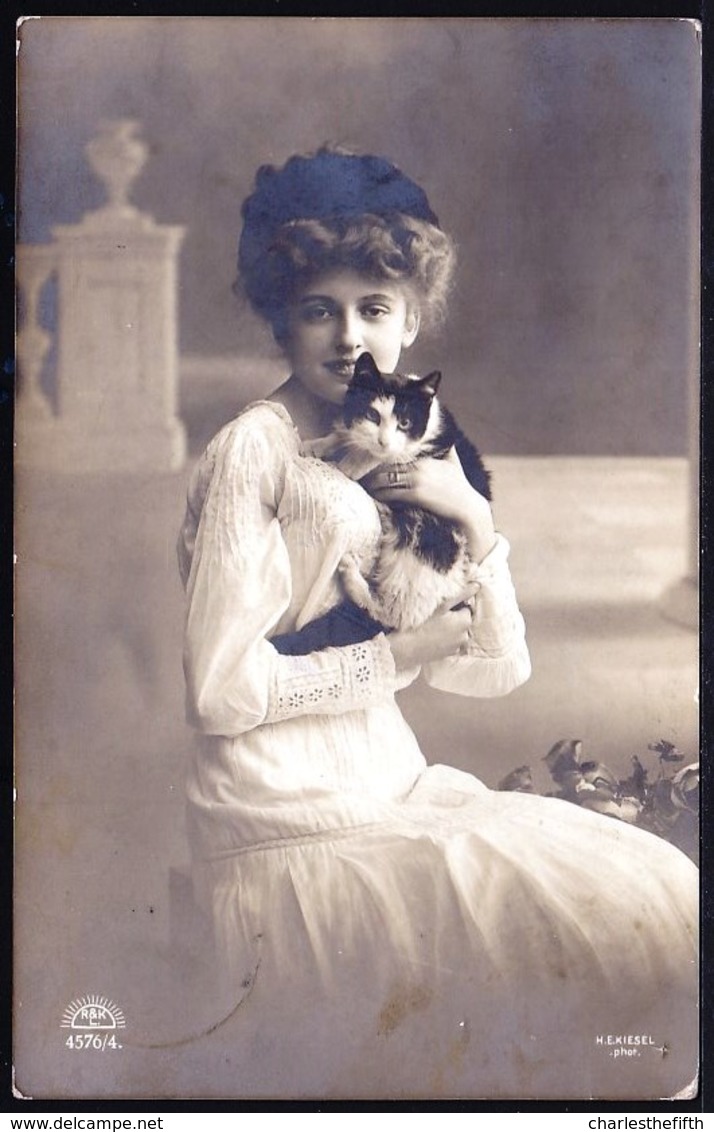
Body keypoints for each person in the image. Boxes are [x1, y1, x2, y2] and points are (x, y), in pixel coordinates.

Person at [176, 148, 698, 1099]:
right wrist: (393, 658)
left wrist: (475, 519)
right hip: (287, 826)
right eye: (318, 309)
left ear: (411, 320)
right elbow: (219, 693)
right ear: (279, 319)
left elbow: (492, 673)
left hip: (393, 788)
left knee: (664, 899)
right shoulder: (253, 452)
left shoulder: (409, 440)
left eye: (375, 309)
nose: (349, 338)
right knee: (582, 954)